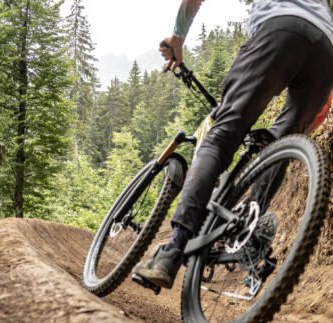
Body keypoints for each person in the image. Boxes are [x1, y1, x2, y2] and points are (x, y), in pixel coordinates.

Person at [133, 0, 333, 289]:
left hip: (279, 29)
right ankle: (248, 229)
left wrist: (177, 38)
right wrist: (291, 139)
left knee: (221, 135)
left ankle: (172, 251)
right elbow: (322, 110)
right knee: (279, 147)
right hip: (326, 51)